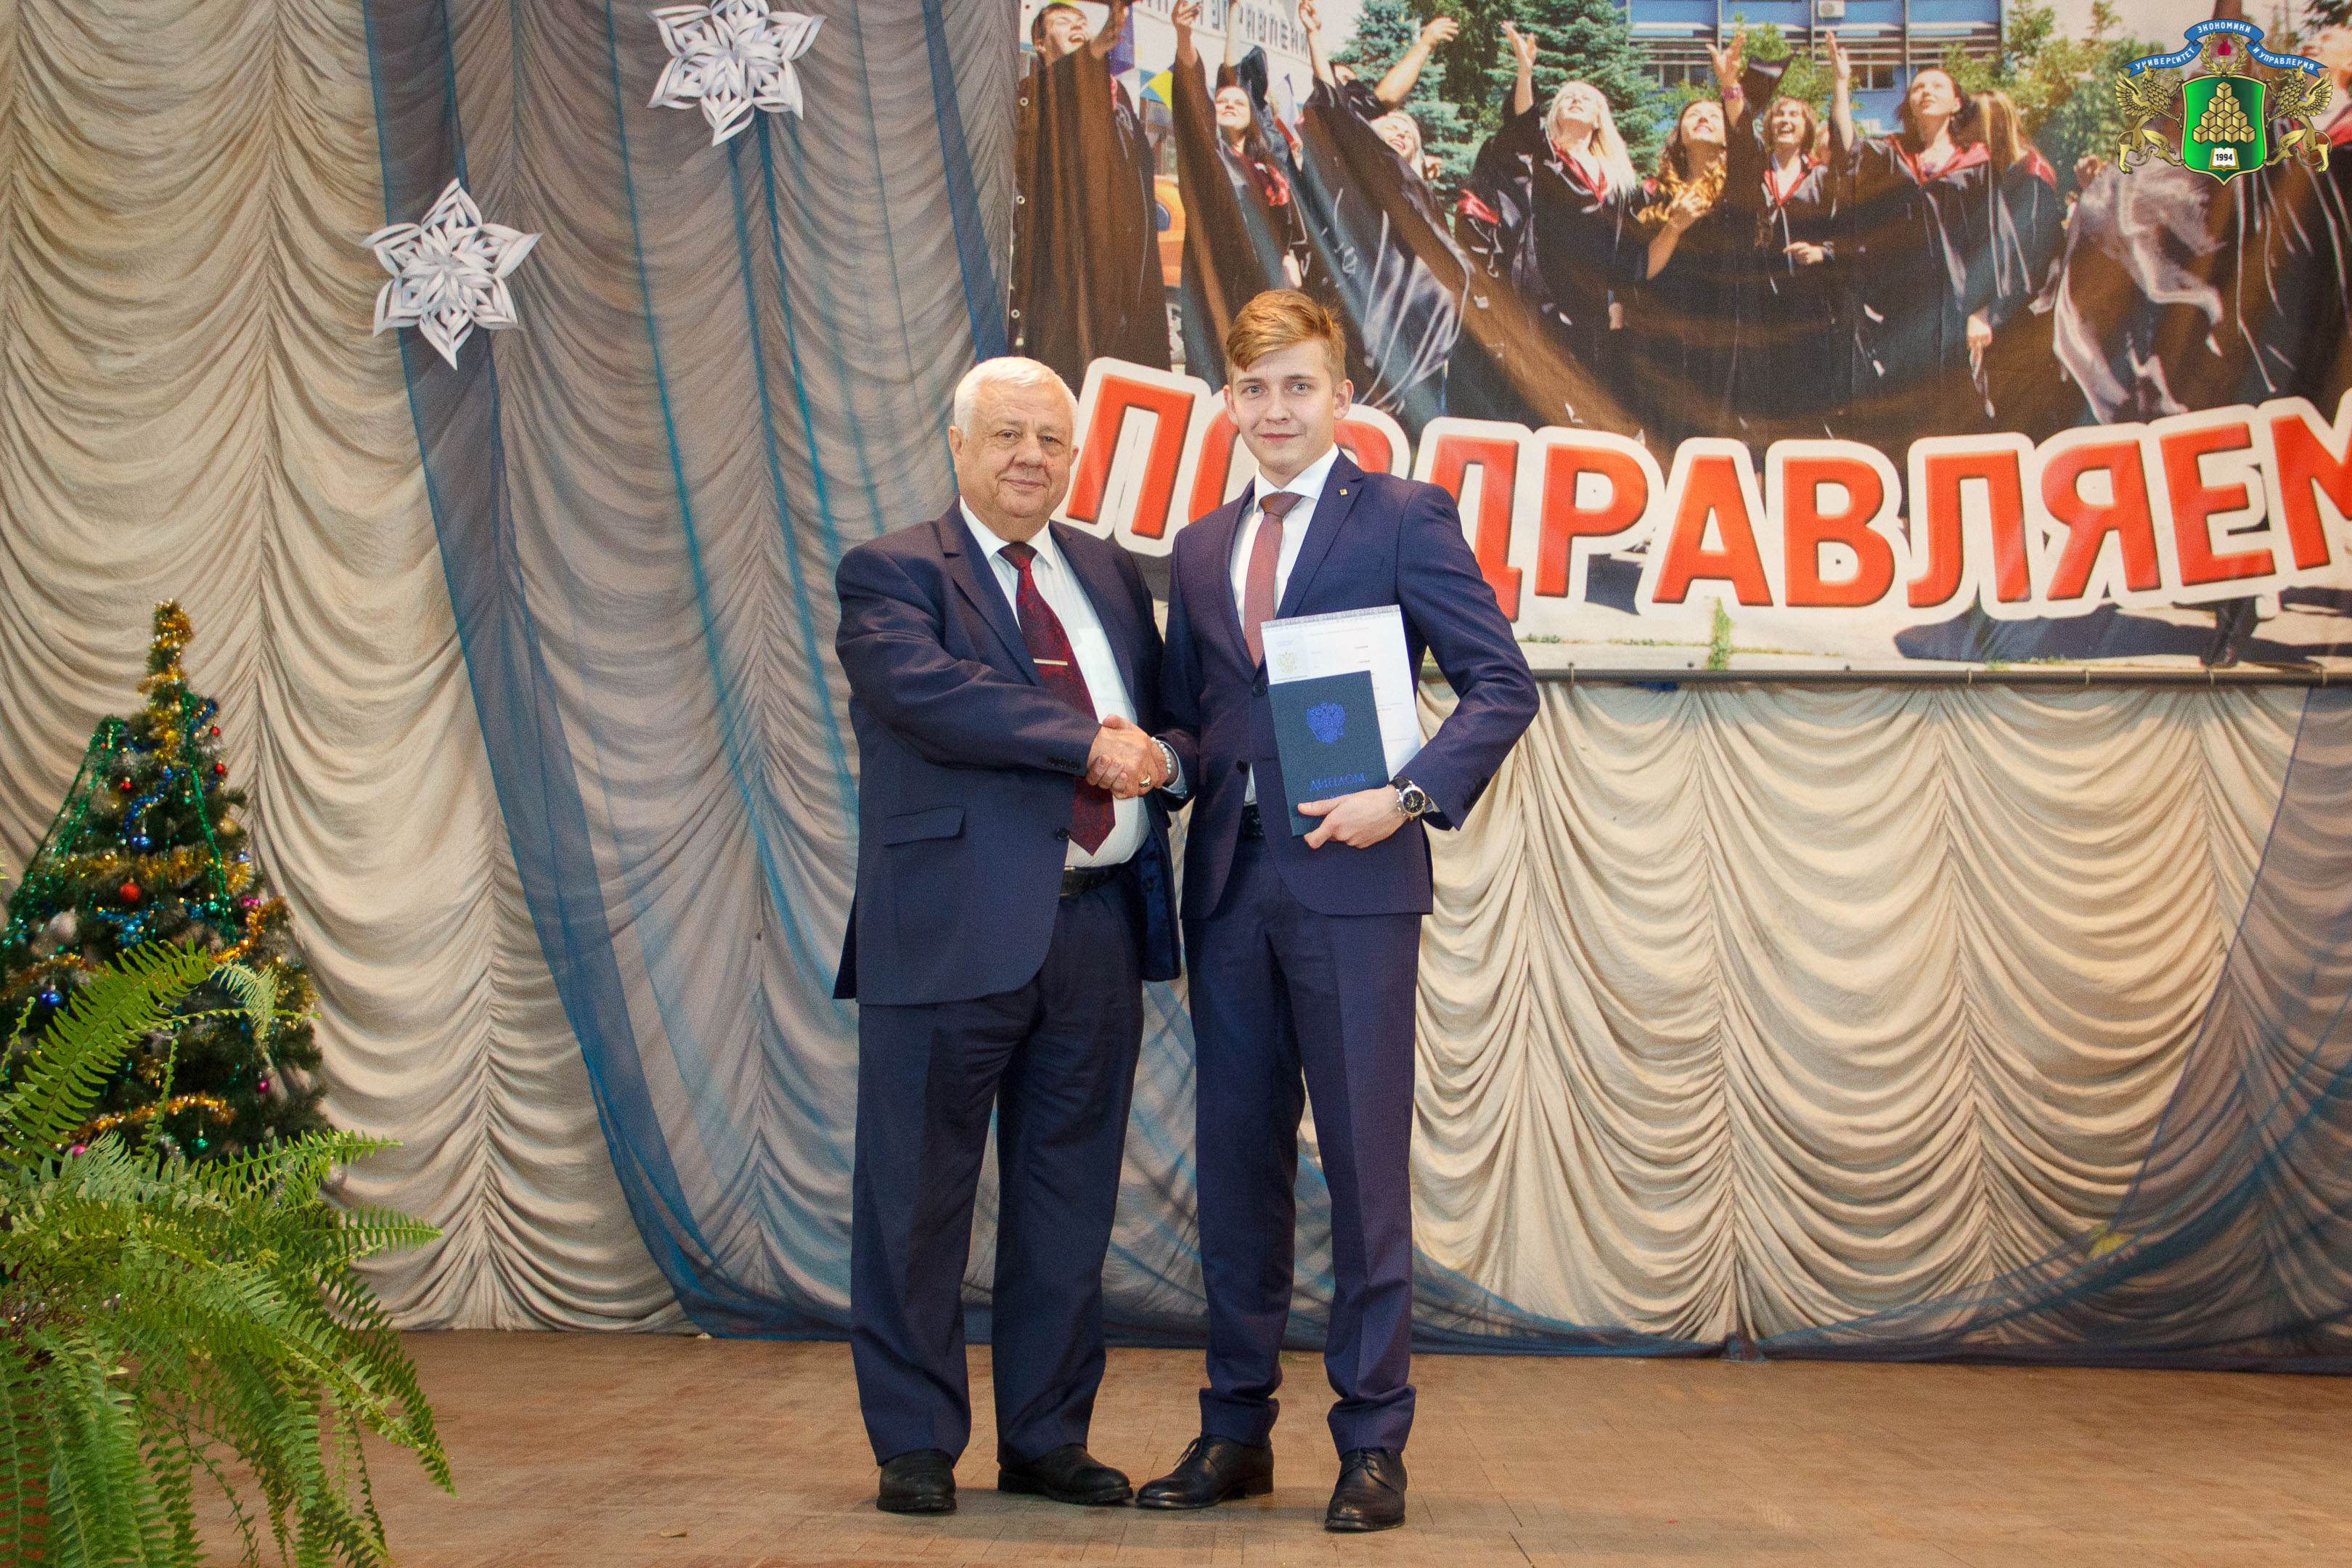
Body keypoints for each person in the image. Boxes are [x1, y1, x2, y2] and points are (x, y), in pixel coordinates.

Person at [1140, 291, 1537, 1533]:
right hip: (1229, 886)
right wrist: (1146, 760)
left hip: (1356, 887)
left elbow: (1501, 684)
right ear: (1228, 404)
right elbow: (1195, 717)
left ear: (1342, 397)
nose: (1277, 410)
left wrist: (1406, 796)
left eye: (1298, 386)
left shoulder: (1404, 514)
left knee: (1365, 1170)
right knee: (1236, 1170)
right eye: (1255, 390)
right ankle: (1234, 1432)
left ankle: (1372, 1443)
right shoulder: (1199, 546)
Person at [833, 356, 1183, 1517]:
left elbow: (1163, 718)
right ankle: (915, 1442)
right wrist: (1086, 743)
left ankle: (1045, 1437)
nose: (1031, 456)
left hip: (1096, 932)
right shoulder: (892, 572)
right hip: (945, 928)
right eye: (1007, 434)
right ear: (958, 445)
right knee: (915, 1199)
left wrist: (1172, 756)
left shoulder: (1109, 573)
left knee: (1068, 1201)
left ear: (1075, 457)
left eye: (1051, 439)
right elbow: (928, 695)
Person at [1288, 0, 1469, 430]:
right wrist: (1314, 37)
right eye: (1390, 126)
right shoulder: (1356, 162)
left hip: (1413, 310)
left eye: (1409, 131)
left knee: (1411, 409)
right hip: (1363, 292)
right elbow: (1342, 103)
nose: (1399, 129)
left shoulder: (1420, 192)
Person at [1454, 24, 1641, 430]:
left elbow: (1626, 248)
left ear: (1599, 118)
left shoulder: (1618, 179)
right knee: (1538, 390)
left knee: (1589, 398)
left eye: (1586, 98)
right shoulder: (1543, 157)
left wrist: (1618, 299)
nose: (1575, 99)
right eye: (1566, 97)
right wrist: (1525, 71)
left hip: (1592, 300)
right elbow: (1523, 124)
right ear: (1554, 113)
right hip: (1543, 287)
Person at [1824, 39, 1997, 457]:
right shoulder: (1893, 155)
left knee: (1955, 400)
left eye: (1937, 86)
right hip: (1899, 301)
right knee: (1900, 397)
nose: (1925, 91)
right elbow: (1847, 147)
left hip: (1956, 303)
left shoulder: (1976, 162)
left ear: (1957, 103)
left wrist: (1982, 311)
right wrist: (1842, 83)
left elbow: (1991, 238)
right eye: (1918, 87)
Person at [1013, 0, 1170, 391]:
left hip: (1122, 264)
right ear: (1039, 42)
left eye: (1083, 21)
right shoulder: (1035, 95)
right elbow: (1073, 77)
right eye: (1064, 21)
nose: (1078, 26)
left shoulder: (1120, 101)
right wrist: (1108, 31)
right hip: (1067, 259)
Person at [1167, 0, 1312, 384]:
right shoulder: (1207, 157)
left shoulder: (1269, 168)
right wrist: (1184, 34)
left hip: (1265, 281)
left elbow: (1292, 221)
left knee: (1263, 369)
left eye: (1238, 101)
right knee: (1217, 371)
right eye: (1221, 101)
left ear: (1254, 114)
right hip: (1216, 277)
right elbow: (1194, 88)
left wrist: (1291, 257)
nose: (1229, 104)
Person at [1722, 53, 1847, 443]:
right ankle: (1760, 461)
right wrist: (1730, 84)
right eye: (1778, 114)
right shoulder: (1753, 170)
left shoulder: (1823, 176)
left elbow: (1847, 229)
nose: (1785, 120)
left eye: (1794, 115)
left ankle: (1806, 458)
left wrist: (1824, 251)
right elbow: (1739, 130)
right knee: (1758, 383)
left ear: (1807, 126)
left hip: (1808, 297)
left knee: (1807, 382)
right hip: (1757, 291)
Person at [1627, 51, 1747, 451]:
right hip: (1667, 327)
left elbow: (1747, 142)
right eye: (1693, 114)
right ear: (1678, 134)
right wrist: (1674, 227)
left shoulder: (1741, 188)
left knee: (1721, 432)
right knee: (1666, 433)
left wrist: (1728, 84)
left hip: (1727, 325)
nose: (1703, 117)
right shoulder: (1652, 194)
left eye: (1714, 115)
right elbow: (1642, 270)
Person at [1967, 89, 2069, 438]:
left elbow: (2032, 260)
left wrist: (1990, 312)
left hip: (2029, 311)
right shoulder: (1997, 172)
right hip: (2006, 309)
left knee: (2027, 416)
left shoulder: (2032, 174)